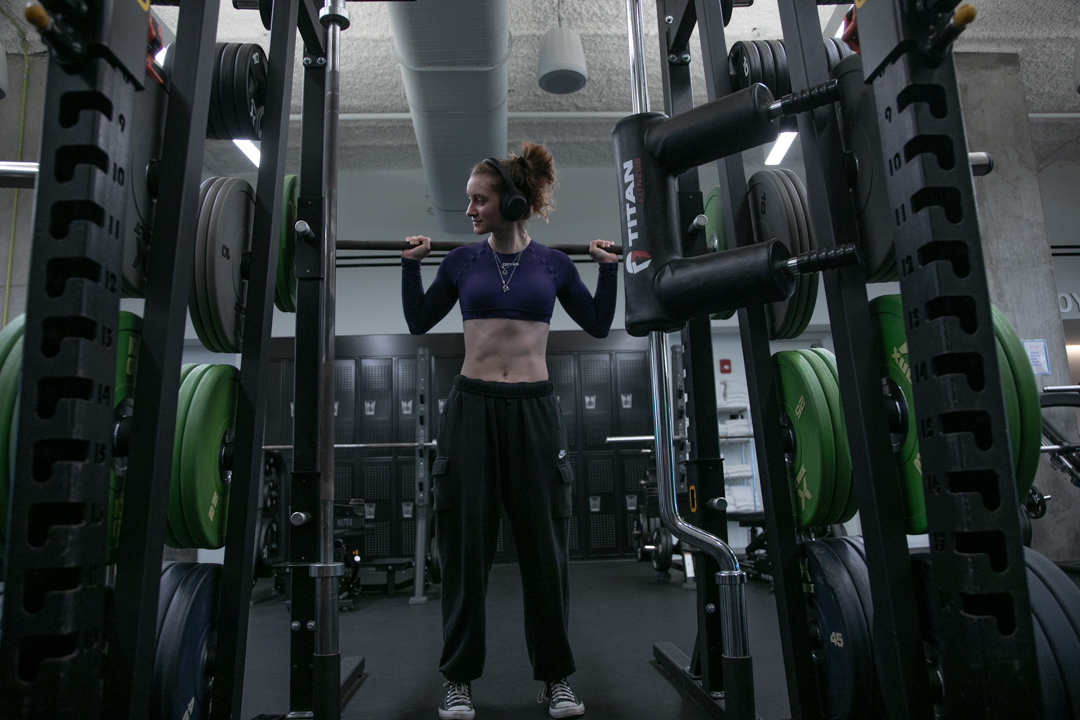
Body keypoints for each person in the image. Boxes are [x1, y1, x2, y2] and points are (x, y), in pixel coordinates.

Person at [400, 141, 618, 719]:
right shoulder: (462, 263)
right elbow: (419, 320)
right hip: (472, 409)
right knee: (465, 549)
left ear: (512, 203)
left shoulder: (553, 265)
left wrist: (608, 273)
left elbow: (597, 325)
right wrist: (410, 267)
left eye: (479, 200)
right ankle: (458, 681)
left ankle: (555, 678)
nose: (469, 210)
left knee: (543, 550)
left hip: (534, 410)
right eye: (468, 202)